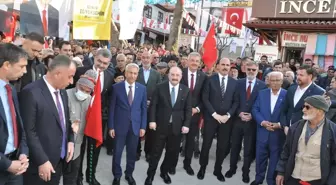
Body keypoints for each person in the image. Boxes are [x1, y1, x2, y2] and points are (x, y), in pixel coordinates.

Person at [20, 55, 76, 185]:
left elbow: (65, 121)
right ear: (57, 74)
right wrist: (42, 160)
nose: (72, 81)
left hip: (59, 161)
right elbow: (28, 131)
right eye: (70, 76)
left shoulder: (62, 92)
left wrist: (70, 141)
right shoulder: (31, 92)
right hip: (40, 165)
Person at [145, 67, 192, 185]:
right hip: (160, 126)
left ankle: (163, 172)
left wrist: (186, 124)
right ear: (168, 75)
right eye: (172, 74)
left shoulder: (185, 90)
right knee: (155, 152)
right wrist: (152, 121)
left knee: (171, 152)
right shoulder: (160, 87)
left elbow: (187, 109)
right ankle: (150, 175)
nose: (175, 77)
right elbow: (153, 106)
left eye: (177, 75)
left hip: (176, 127)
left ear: (181, 77)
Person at [74, 49, 114, 185]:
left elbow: (107, 97)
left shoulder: (110, 75)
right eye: (99, 61)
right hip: (79, 117)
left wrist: (104, 113)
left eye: (105, 63)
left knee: (94, 150)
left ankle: (91, 176)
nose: (102, 65)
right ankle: (77, 177)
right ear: (95, 57)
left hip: (97, 119)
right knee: (79, 148)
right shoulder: (80, 71)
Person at [276, 95, 336, 185]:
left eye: (307, 107)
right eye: (303, 106)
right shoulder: (295, 127)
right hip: (293, 177)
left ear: (320, 110)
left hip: (317, 180)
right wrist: (280, 172)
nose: (303, 110)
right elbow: (286, 151)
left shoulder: (333, 131)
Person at [197, 58, 239, 182]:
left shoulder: (234, 83)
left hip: (226, 121)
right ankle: (202, 168)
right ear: (218, 66)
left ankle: (217, 169)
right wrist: (214, 114)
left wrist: (228, 115)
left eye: (227, 65)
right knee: (206, 145)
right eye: (223, 64)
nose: (225, 67)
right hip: (211, 118)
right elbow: (205, 98)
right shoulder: (209, 80)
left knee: (222, 146)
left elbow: (236, 101)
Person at [226, 61, 267, 183]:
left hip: (252, 123)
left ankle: (245, 172)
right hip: (237, 121)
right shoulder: (238, 83)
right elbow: (233, 100)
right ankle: (232, 169)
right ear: (245, 69)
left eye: (254, 70)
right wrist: (239, 113)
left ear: (257, 70)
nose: (251, 72)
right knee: (235, 147)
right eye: (249, 69)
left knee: (248, 150)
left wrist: (252, 116)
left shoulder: (263, 85)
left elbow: (261, 105)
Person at [108, 63, 147, 185]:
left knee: (131, 153)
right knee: (118, 153)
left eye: (135, 73)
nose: (132, 75)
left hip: (135, 127)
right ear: (125, 73)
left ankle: (129, 174)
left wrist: (142, 126)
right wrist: (111, 126)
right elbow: (112, 109)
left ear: (137, 75)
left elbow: (143, 109)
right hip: (119, 126)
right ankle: (117, 175)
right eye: (130, 72)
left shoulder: (142, 89)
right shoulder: (116, 87)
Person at [0, 44, 29, 185]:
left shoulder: (11, 89)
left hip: (16, 165)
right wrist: (6, 164)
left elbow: (18, 126)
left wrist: (23, 152)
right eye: (21, 66)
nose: (25, 71)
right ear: (6, 65)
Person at [251, 71, 287, 185]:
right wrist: (262, 122)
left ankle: (271, 181)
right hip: (262, 132)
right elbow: (255, 109)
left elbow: (288, 113)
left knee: (274, 161)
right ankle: (258, 179)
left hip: (277, 135)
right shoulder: (262, 93)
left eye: (277, 80)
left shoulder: (287, 95)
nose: (275, 83)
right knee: (260, 159)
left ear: (282, 81)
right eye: (272, 80)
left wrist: (280, 124)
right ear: (268, 81)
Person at [63, 70, 96, 185]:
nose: (84, 93)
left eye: (88, 91)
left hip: (78, 144)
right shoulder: (65, 95)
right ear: (77, 85)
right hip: (63, 143)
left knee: (72, 175)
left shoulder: (89, 99)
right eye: (82, 89)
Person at [178, 52, 207, 176]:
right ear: (187, 61)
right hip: (178, 113)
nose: (194, 63)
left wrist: (198, 109)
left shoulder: (204, 77)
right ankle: (171, 164)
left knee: (191, 141)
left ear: (200, 63)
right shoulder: (179, 73)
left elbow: (205, 97)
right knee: (174, 140)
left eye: (197, 61)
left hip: (195, 114)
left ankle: (187, 164)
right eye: (192, 60)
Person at [280, 65, 324, 135]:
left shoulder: (319, 92)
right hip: (286, 132)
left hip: (305, 133)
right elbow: (284, 109)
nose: (298, 77)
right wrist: (285, 126)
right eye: (297, 74)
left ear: (310, 76)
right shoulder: (291, 89)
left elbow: (317, 116)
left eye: (301, 75)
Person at [136, 51, 161, 161]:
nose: (145, 60)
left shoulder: (157, 74)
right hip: (138, 106)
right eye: (143, 57)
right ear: (141, 58)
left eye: (148, 58)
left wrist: (152, 101)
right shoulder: (137, 71)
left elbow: (159, 90)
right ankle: (136, 151)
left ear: (151, 59)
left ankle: (148, 152)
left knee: (150, 131)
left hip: (152, 107)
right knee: (137, 129)